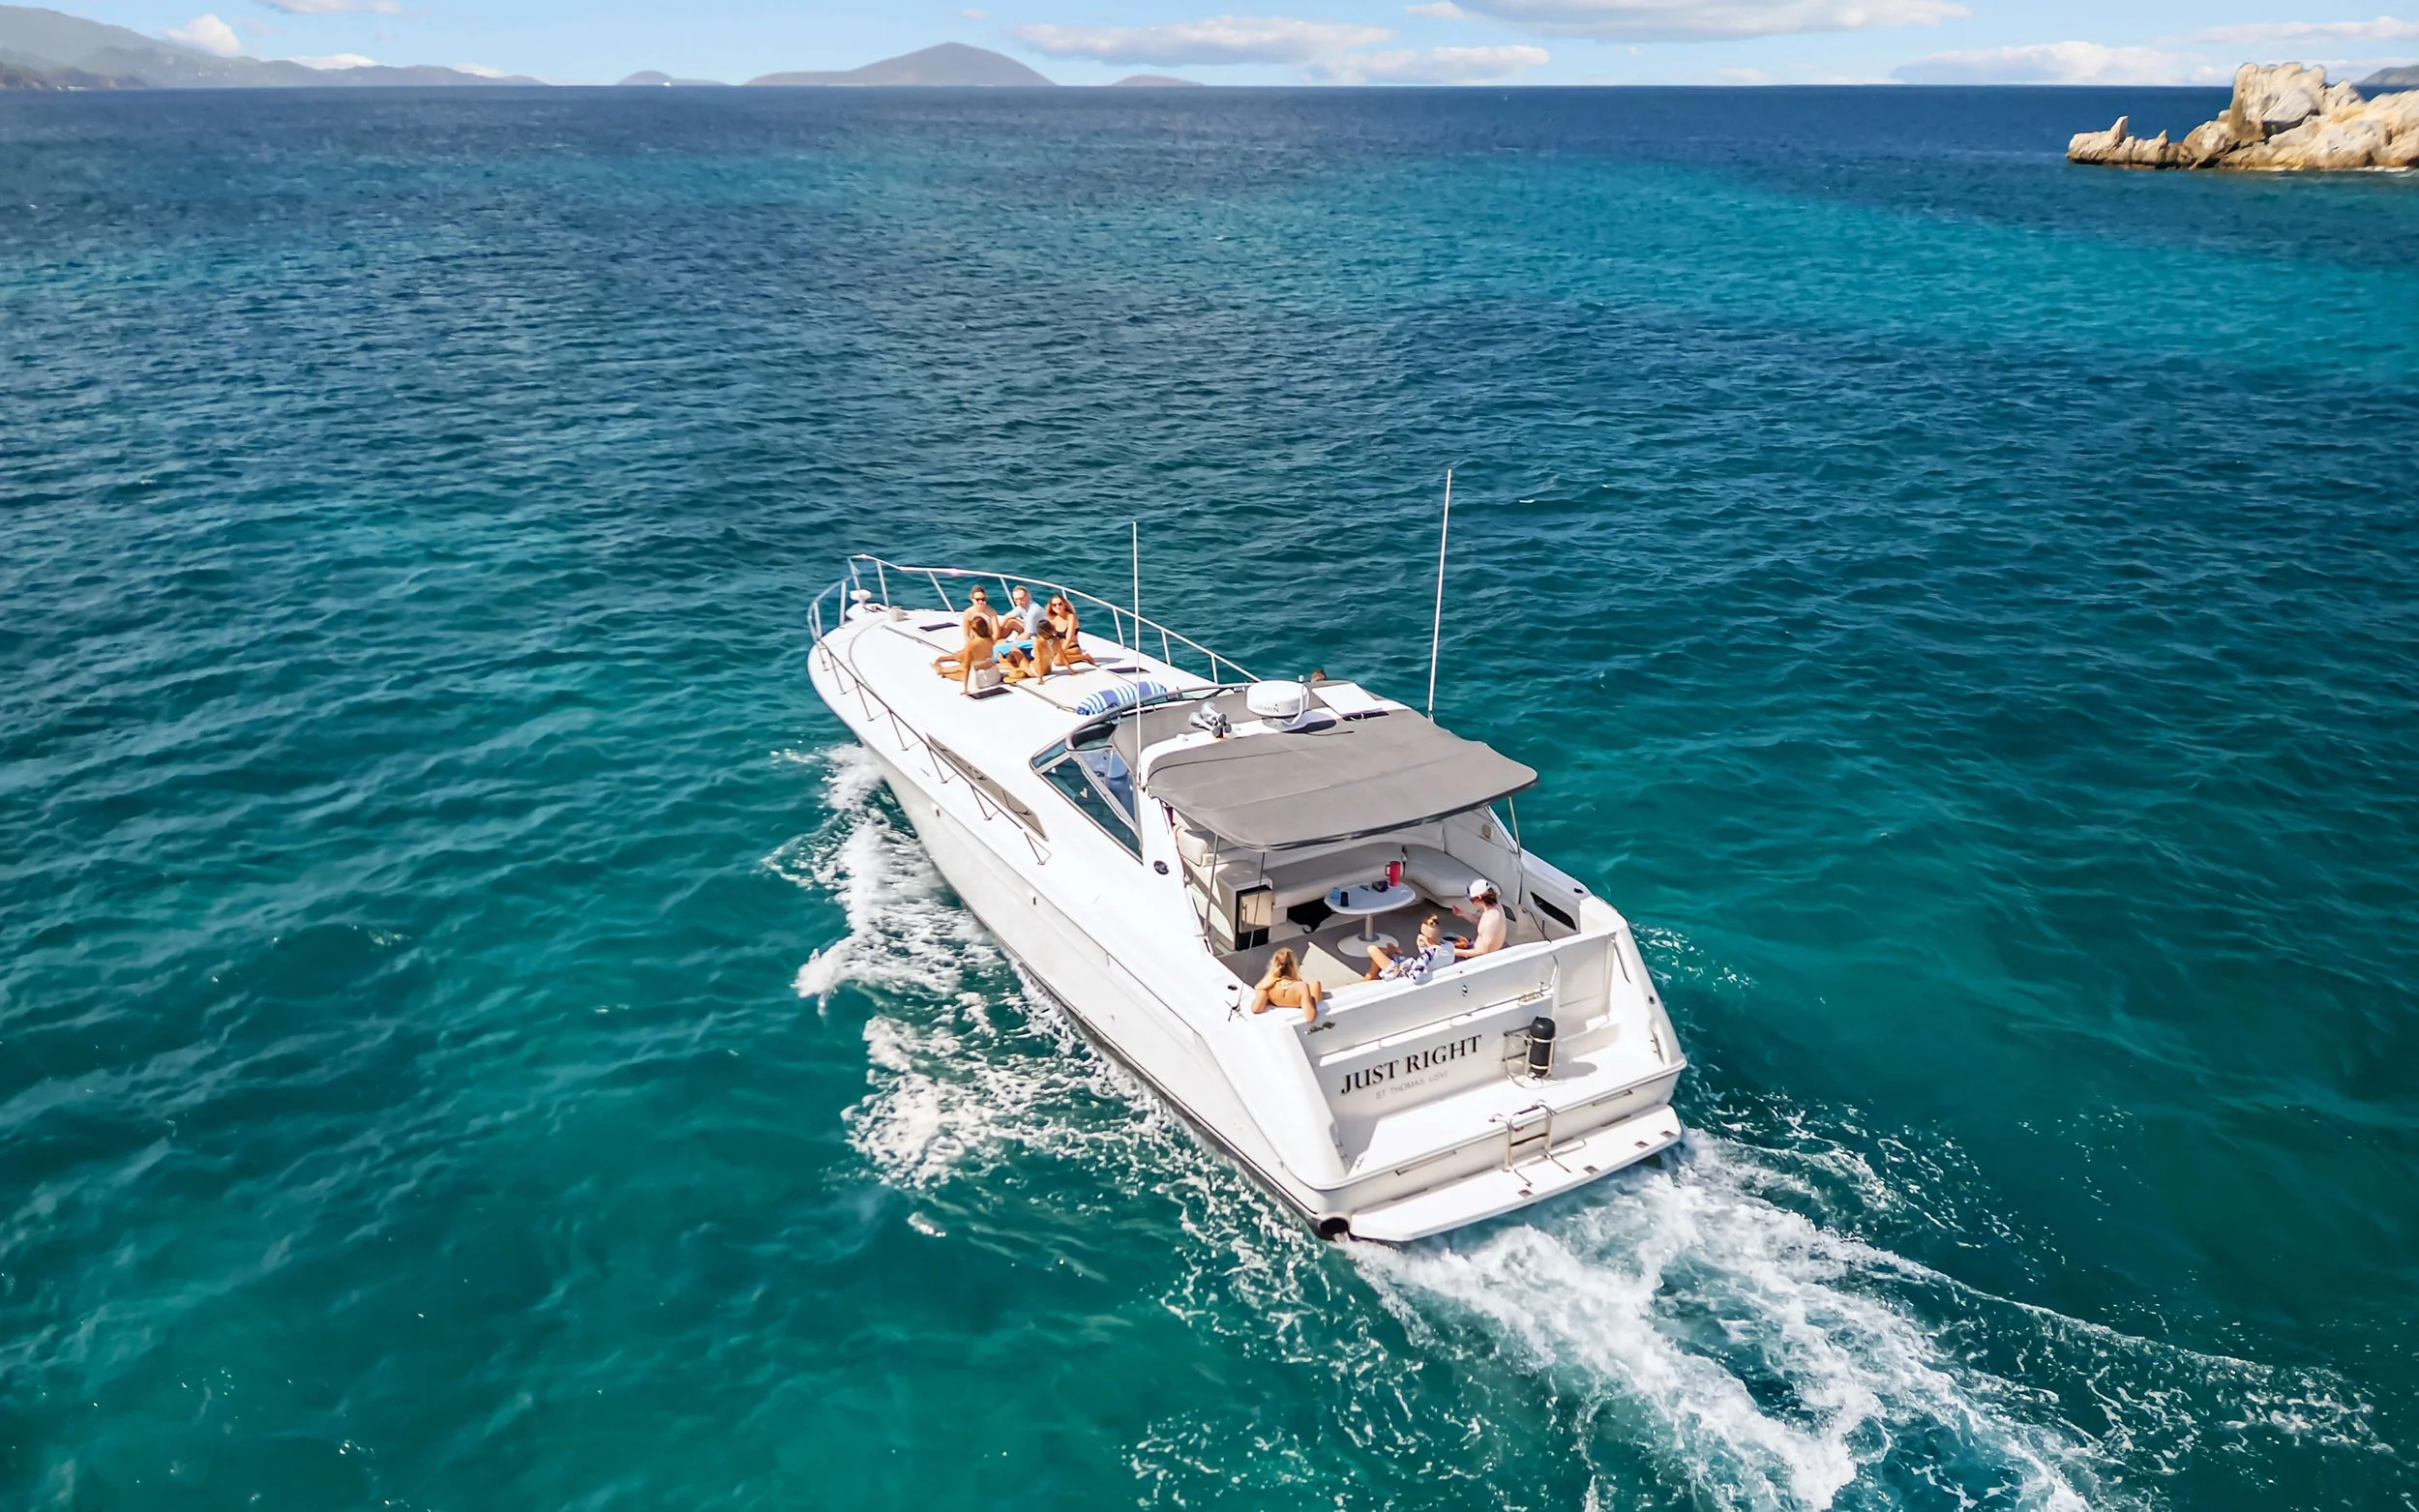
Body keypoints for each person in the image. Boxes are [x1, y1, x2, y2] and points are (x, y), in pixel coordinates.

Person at [1364, 914, 1455, 983]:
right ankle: (1370, 977)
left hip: (1400, 974)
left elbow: (1415, 977)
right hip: (1414, 965)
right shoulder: (1448, 946)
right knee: (1385, 952)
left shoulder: (1428, 955)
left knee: (1372, 949)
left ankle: (1369, 978)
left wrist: (1401, 970)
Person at [1249, 947, 1322, 1024]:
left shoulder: (1267, 986)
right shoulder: (1302, 987)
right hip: (1299, 1002)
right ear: (1293, 966)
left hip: (1278, 1015)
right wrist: (1312, 999)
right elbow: (1310, 1017)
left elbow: (1256, 1009)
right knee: (1316, 985)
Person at [934, 612, 999, 691]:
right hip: (995, 675)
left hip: (981, 681)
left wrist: (965, 688)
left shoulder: (971, 645)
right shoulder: (990, 639)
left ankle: (941, 671)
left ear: (973, 630)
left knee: (960, 674)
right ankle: (942, 670)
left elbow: (966, 667)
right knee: (967, 667)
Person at [1449, 879, 1508, 958]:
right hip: (1475, 948)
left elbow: (1483, 953)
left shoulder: (1491, 919)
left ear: (1478, 897)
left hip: (1479, 959)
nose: (1471, 902)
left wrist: (1455, 952)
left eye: (1471, 900)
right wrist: (1463, 914)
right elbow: (1482, 924)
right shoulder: (1495, 907)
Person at [1045, 595, 1096, 668]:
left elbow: (1068, 639)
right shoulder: (1053, 619)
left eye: (1060, 604)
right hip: (1060, 647)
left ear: (1064, 604)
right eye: (1054, 605)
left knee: (1057, 661)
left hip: (1072, 647)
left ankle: (1085, 656)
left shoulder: (1071, 616)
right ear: (1051, 607)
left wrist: (1059, 653)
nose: (1057, 606)